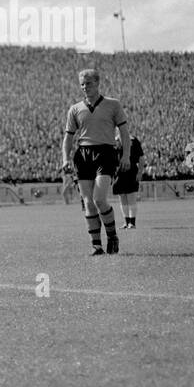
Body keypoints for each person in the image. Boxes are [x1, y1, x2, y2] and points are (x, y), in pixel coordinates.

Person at [61, 68, 130, 255]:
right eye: (82, 84)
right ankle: (96, 245)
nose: (85, 87)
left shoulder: (113, 105)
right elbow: (68, 137)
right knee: (88, 202)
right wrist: (65, 158)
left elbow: (124, 133)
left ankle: (112, 236)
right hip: (83, 154)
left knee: (99, 198)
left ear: (98, 83)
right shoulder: (75, 109)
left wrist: (125, 156)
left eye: (89, 83)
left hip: (106, 152)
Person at [112, 132, 144, 229]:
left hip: (131, 171)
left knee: (131, 198)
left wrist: (139, 172)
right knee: (122, 198)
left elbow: (141, 158)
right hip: (119, 172)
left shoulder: (133, 140)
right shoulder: (114, 140)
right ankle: (126, 222)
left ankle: (132, 223)